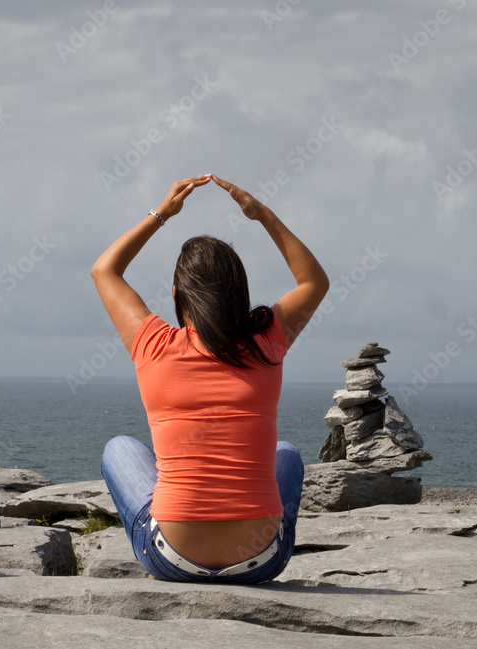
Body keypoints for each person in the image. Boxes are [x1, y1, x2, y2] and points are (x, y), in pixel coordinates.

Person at [92, 174, 329, 583]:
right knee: (286, 453)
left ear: (175, 296)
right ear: (239, 294)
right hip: (261, 560)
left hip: (174, 558)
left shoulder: (153, 344)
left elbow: (105, 270)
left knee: (120, 448)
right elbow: (314, 282)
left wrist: (161, 213)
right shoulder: (267, 342)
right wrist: (262, 215)